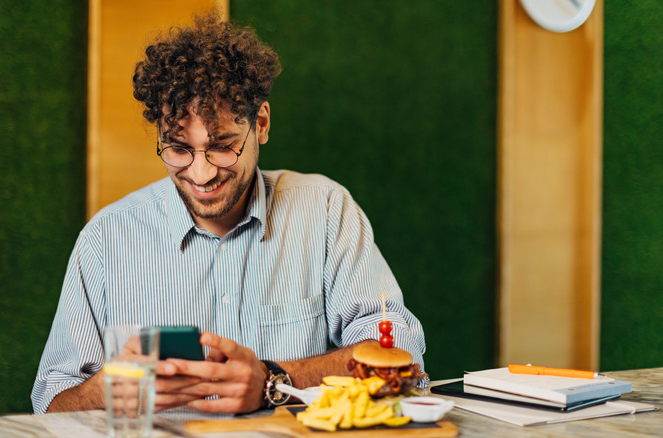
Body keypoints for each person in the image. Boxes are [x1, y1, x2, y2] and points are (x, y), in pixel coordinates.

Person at [31, 13, 426, 415]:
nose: (201, 174)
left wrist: (275, 380)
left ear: (262, 124)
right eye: (179, 149)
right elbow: (50, 404)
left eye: (223, 146)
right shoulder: (106, 239)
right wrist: (105, 392)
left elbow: (402, 358)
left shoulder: (325, 212)